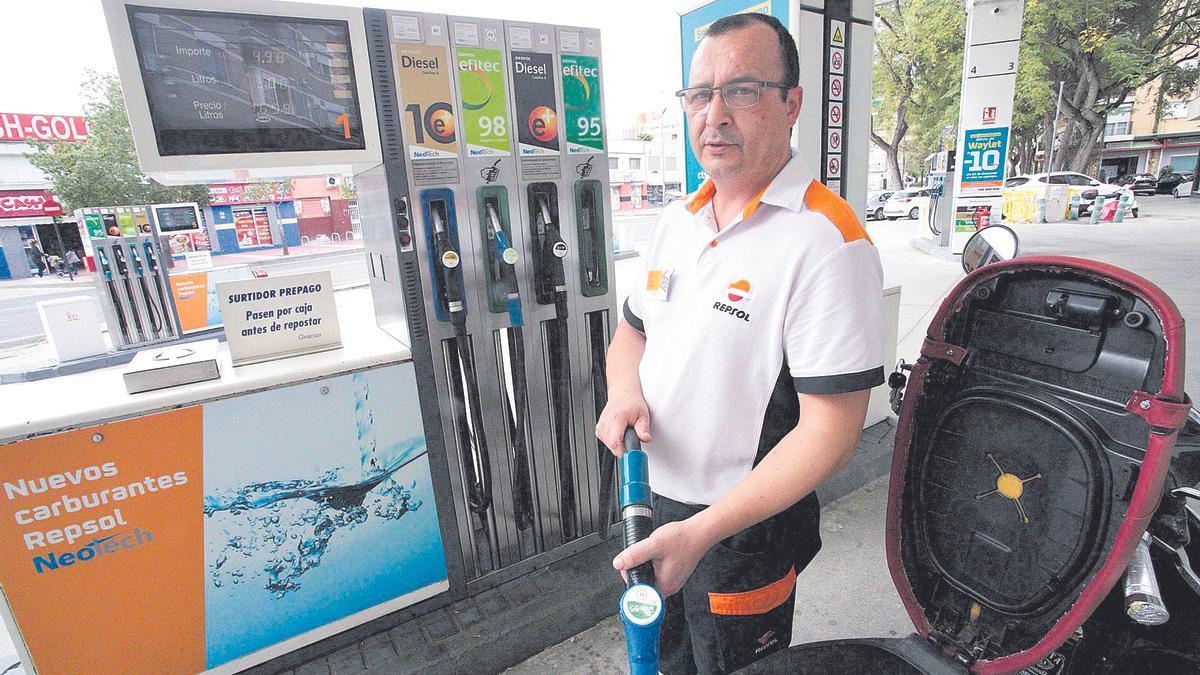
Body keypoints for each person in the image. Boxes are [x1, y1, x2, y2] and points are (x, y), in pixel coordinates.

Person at [595, 13, 885, 674]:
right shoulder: (678, 219)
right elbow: (631, 332)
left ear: (792, 104)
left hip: (741, 532)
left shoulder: (826, 243)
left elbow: (831, 434)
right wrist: (622, 392)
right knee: (663, 660)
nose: (714, 114)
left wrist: (702, 532)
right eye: (699, 94)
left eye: (743, 90)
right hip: (650, 501)